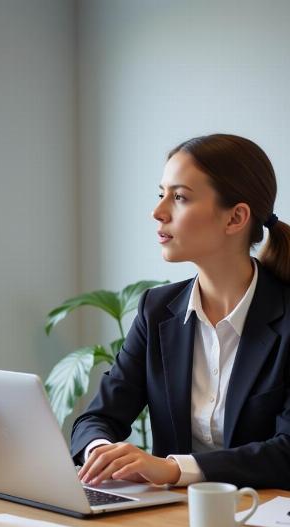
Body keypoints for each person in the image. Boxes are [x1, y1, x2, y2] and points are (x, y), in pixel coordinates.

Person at [72, 133, 290, 490]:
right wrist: (102, 451)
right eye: (162, 194)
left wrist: (174, 469)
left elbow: (285, 453)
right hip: (174, 518)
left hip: (264, 521)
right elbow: (98, 417)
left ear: (235, 218)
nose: (158, 212)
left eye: (179, 197)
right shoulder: (156, 310)